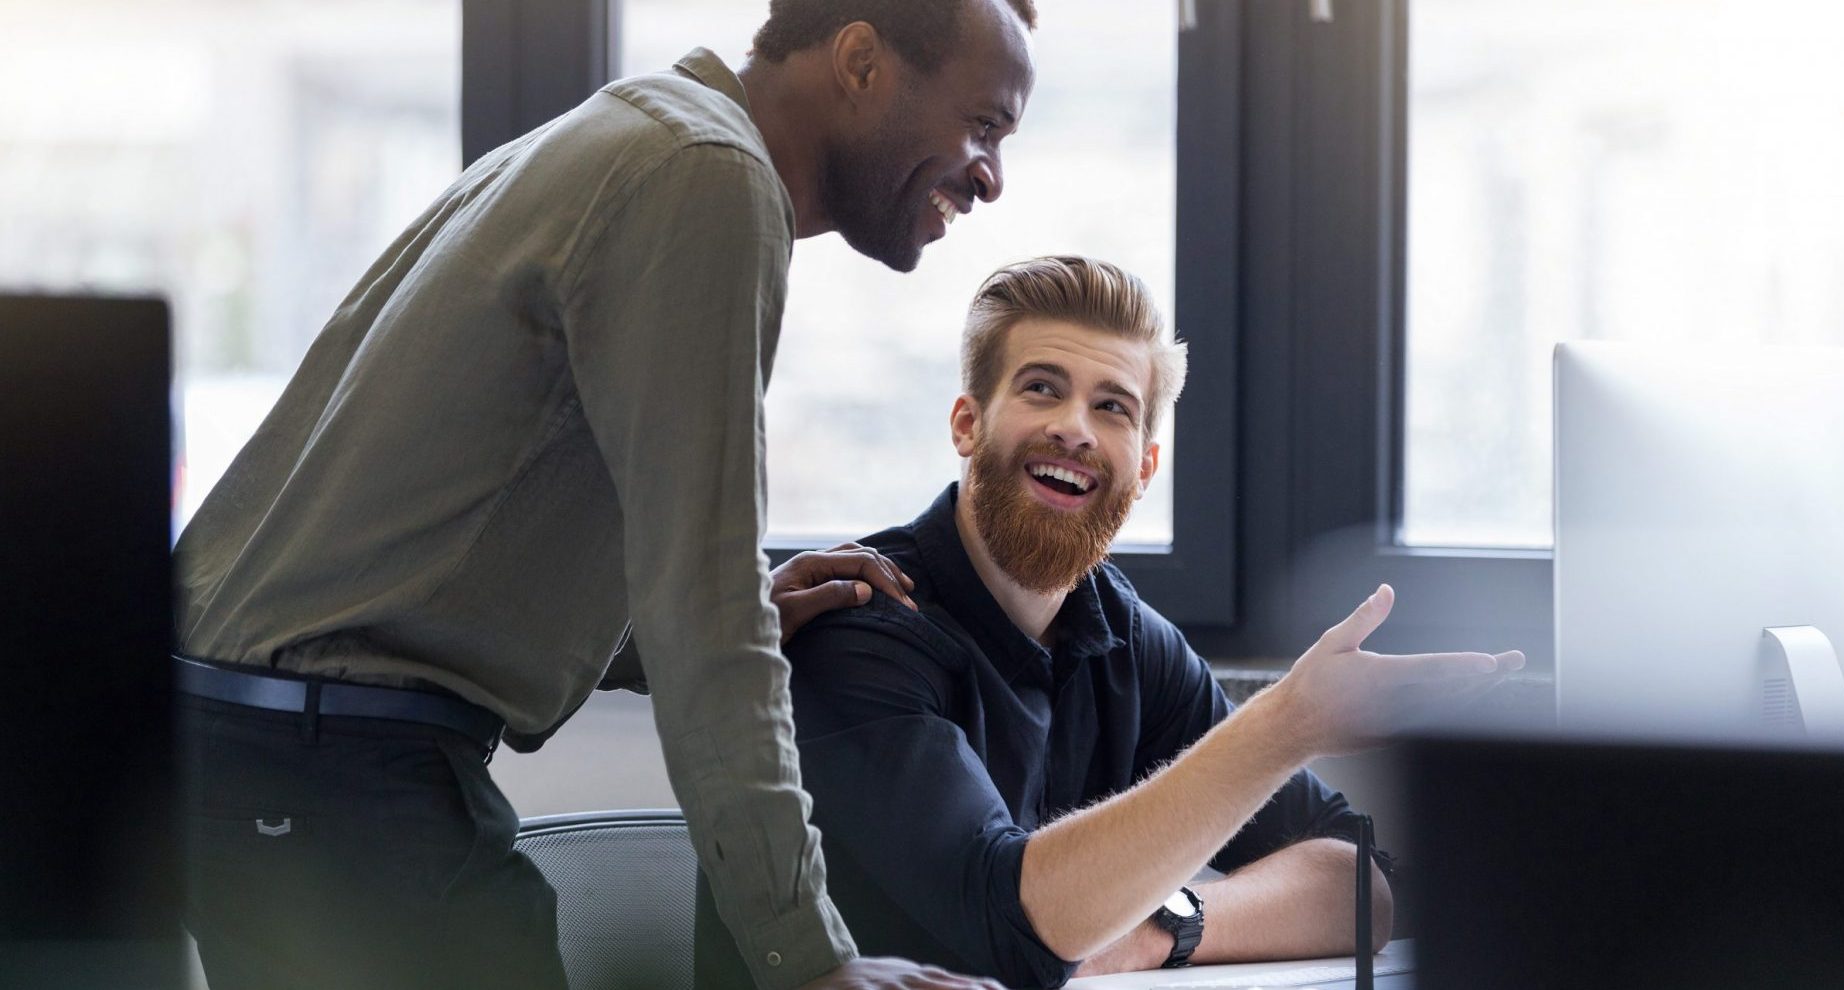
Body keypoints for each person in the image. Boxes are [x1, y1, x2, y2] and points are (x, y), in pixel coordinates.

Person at [171, 2, 1038, 987]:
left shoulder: (636, 135)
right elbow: (704, 621)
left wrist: (694, 618)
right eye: (983, 125)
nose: (992, 177)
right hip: (330, 770)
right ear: (858, 61)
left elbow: (470, 521)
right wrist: (814, 966)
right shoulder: (707, 178)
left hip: (278, 754)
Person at [700, 256, 1523, 987]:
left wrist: (1162, 927)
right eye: (1041, 388)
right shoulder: (864, 624)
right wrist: (1288, 724)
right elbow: (1015, 930)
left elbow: (1365, 886)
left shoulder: (1124, 636)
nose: (1075, 428)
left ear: (1146, 466)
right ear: (967, 423)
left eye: (1114, 407)